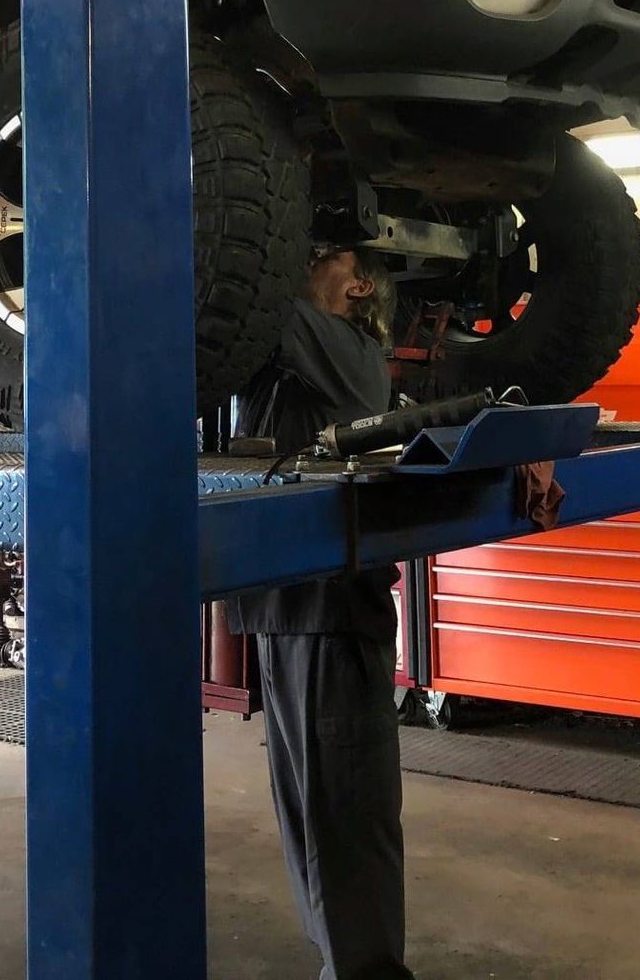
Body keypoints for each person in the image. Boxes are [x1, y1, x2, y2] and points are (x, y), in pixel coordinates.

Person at [227, 245, 413, 980]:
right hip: (288, 608)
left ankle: (366, 972)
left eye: (330, 254)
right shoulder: (297, 353)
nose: (308, 256)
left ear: (359, 284)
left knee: (343, 817)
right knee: (308, 814)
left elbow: (247, 296)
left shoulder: (346, 346)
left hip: (331, 612)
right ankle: (340, 963)